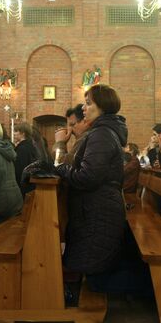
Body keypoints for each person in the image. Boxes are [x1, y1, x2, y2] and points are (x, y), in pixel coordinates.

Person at [55, 84, 131, 286]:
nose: (83, 108)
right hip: (95, 208)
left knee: (97, 279)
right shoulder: (102, 132)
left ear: (102, 107)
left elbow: (88, 176)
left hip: (97, 211)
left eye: (88, 104)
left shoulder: (102, 134)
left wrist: (60, 169)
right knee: (93, 272)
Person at [12, 122, 39, 191]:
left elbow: (20, 170)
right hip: (30, 184)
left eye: (16, 131)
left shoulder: (22, 149)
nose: (14, 133)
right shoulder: (31, 145)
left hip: (23, 186)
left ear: (23, 133)